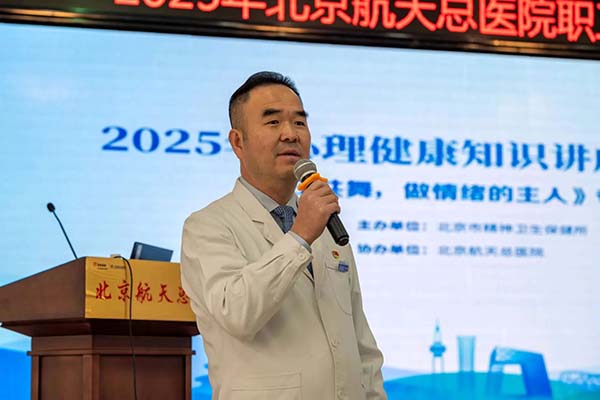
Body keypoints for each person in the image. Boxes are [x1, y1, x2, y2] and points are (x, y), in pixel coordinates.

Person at [180, 71, 387, 400]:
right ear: (238, 142)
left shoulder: (326, 225)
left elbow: (361, 345)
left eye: (299, 122)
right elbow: (237, 313)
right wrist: (300, 235)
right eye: (273, 122)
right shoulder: (208, 225)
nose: (291, 134)